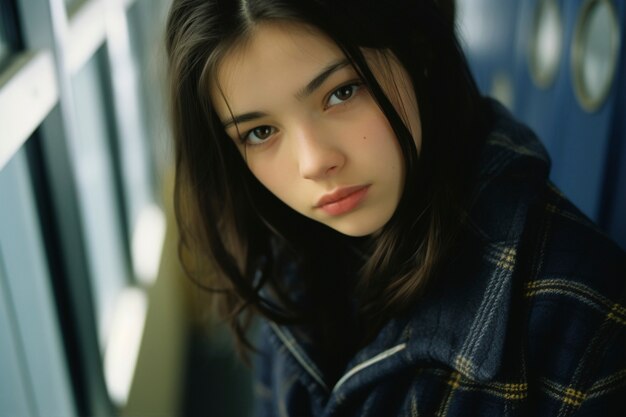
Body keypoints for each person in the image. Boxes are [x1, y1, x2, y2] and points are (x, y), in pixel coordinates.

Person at [165, 0, 626, 415]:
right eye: (260, 132)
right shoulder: (283, 258)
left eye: (342, 92)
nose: (314, 163)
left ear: (417, 52)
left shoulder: (585, 314)